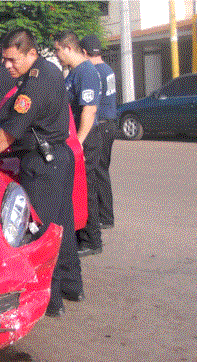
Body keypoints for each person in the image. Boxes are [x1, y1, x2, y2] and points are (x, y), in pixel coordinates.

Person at [0, 28, 81, 317]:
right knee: (62, 223)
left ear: (31, 54)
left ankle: (51, 301)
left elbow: (10, 132)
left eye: (12, 60)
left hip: (41, 163)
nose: (7, 65)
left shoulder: (32, 86)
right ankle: (72, 285)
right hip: (59, 156)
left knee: (40, 232)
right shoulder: (50, 71)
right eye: (4, 60)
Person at [54, 30, 103, 258]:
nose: (56, 54)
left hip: (86, 138)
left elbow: (89, 109)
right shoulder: (74, 72)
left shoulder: (86, 72)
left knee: (88, 188)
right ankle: (83, 233)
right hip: (75, 137)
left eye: (57, 50)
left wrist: (79, 142)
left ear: (68, 48)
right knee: (79, 188)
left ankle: (92, 240)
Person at [80, 34, 117, 230]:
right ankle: (106, 215)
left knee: (99, 172)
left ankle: (105, 216)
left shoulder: (93, 72)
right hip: (110, 123)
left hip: (101, 124)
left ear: (84, 53)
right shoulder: (107, 69)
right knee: (103, 170)